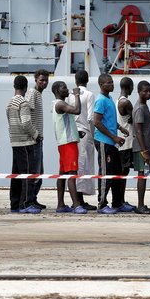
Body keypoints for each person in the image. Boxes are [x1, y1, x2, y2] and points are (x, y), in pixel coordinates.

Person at [94, 74, 130, 214]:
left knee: (116, 172)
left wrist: (120, 128)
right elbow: (97, 122)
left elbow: (108, 120)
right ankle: (102, 204)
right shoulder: (100, 101)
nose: (112, 85)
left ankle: (117, 203)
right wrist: (114, 137)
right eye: (109, 83)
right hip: (104, 142)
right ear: (101, 85)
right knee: (105, 173)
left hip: (111, 142)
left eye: (112, 82)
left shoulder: (108, 99)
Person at [6, 75, 40, 214]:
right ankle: (25, 203)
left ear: (14, 86)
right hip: (25, 142)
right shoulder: (23, 103)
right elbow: (26, 123)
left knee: (16, 175)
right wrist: (36, 135)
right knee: (27, 174)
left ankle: (15, 204)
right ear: (26, 87)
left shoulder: (9, 103)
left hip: (14, 141)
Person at [51, 81, 86, 214]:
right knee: (72, 173)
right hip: (68, 143)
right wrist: (77, 95)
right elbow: (77, 110)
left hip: (64, 141)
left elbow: (64, 123)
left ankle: (61, 204)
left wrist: (77, 133)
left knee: (63, 174)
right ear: (57, 91)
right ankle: (76, 204)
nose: (67, 90)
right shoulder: (60, 104)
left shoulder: (57, 104)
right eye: (63, 88)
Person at [69, 70, 96, 210]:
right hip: (85, 133)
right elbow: (91, 118)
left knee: (77, 165)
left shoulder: (70, 95)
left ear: (76, 81)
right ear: (87, 80)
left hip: (73, 134)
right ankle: (80, 200)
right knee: (85, 166)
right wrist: (93, 136)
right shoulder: (90, 95)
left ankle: (79, 199)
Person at [25, 70, 48, 209]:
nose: (44, 83)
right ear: (35, 80)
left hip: (38, 139)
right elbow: (26, 114)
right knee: (34, 171)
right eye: (41, 80)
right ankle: (29, 201)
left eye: (45, 80)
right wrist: (35, 135)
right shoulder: (32, 93)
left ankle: (33, 199)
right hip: (33, 140)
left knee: (39, 172)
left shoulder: (38, 94)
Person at [132, 80, 150, 215]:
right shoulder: (140, 108)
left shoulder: (144, 106)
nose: (148, 93)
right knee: (142, 175)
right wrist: (144, 150)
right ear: (139, 92)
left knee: (144, 174)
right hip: (142, 148)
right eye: (145, 91)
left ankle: (143, 204)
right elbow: (138, 131)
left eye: (149, 91)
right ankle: (140, 205)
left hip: (145, 147)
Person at [116, 77, 136, 211]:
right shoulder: (125, 102)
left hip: (122, 140)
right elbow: (137, 118)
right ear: (130, 87)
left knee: (123, 171)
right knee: (124, 171)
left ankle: (120, 200)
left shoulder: (118, 99)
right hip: (127, 141)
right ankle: (120, 201)